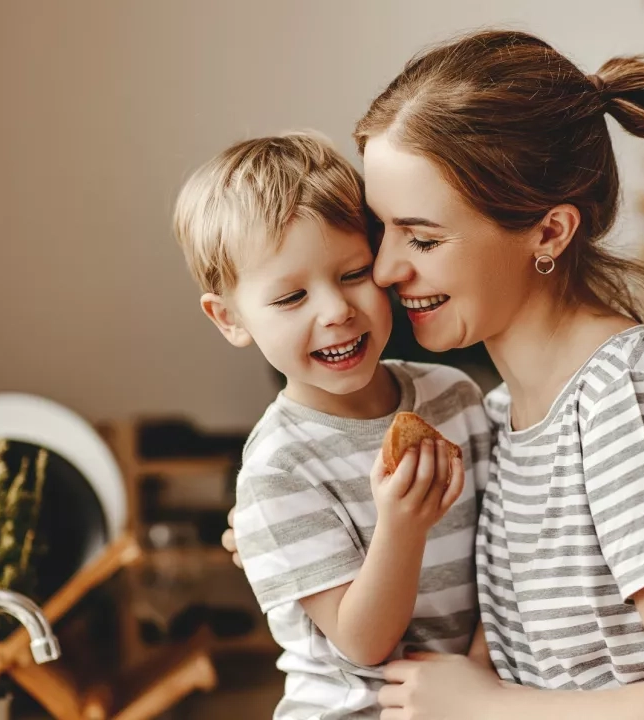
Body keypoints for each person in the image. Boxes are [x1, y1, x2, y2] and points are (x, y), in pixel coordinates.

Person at [222, 30, 644, 720]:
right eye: (382, 231)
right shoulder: (501, 417)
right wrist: (281, 534)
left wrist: (487, 707)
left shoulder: (627, 407)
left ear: (549, 233)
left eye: (423, 237)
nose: (386, 270)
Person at [172, 131, 494, 719]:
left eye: (353, 274)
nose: (336, 310)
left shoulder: (457, 398)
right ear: (230, 318)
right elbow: (363, 643)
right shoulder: (278, 468)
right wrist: (402, 525)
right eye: (292, 296)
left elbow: (506, 549)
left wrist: (479, 665)